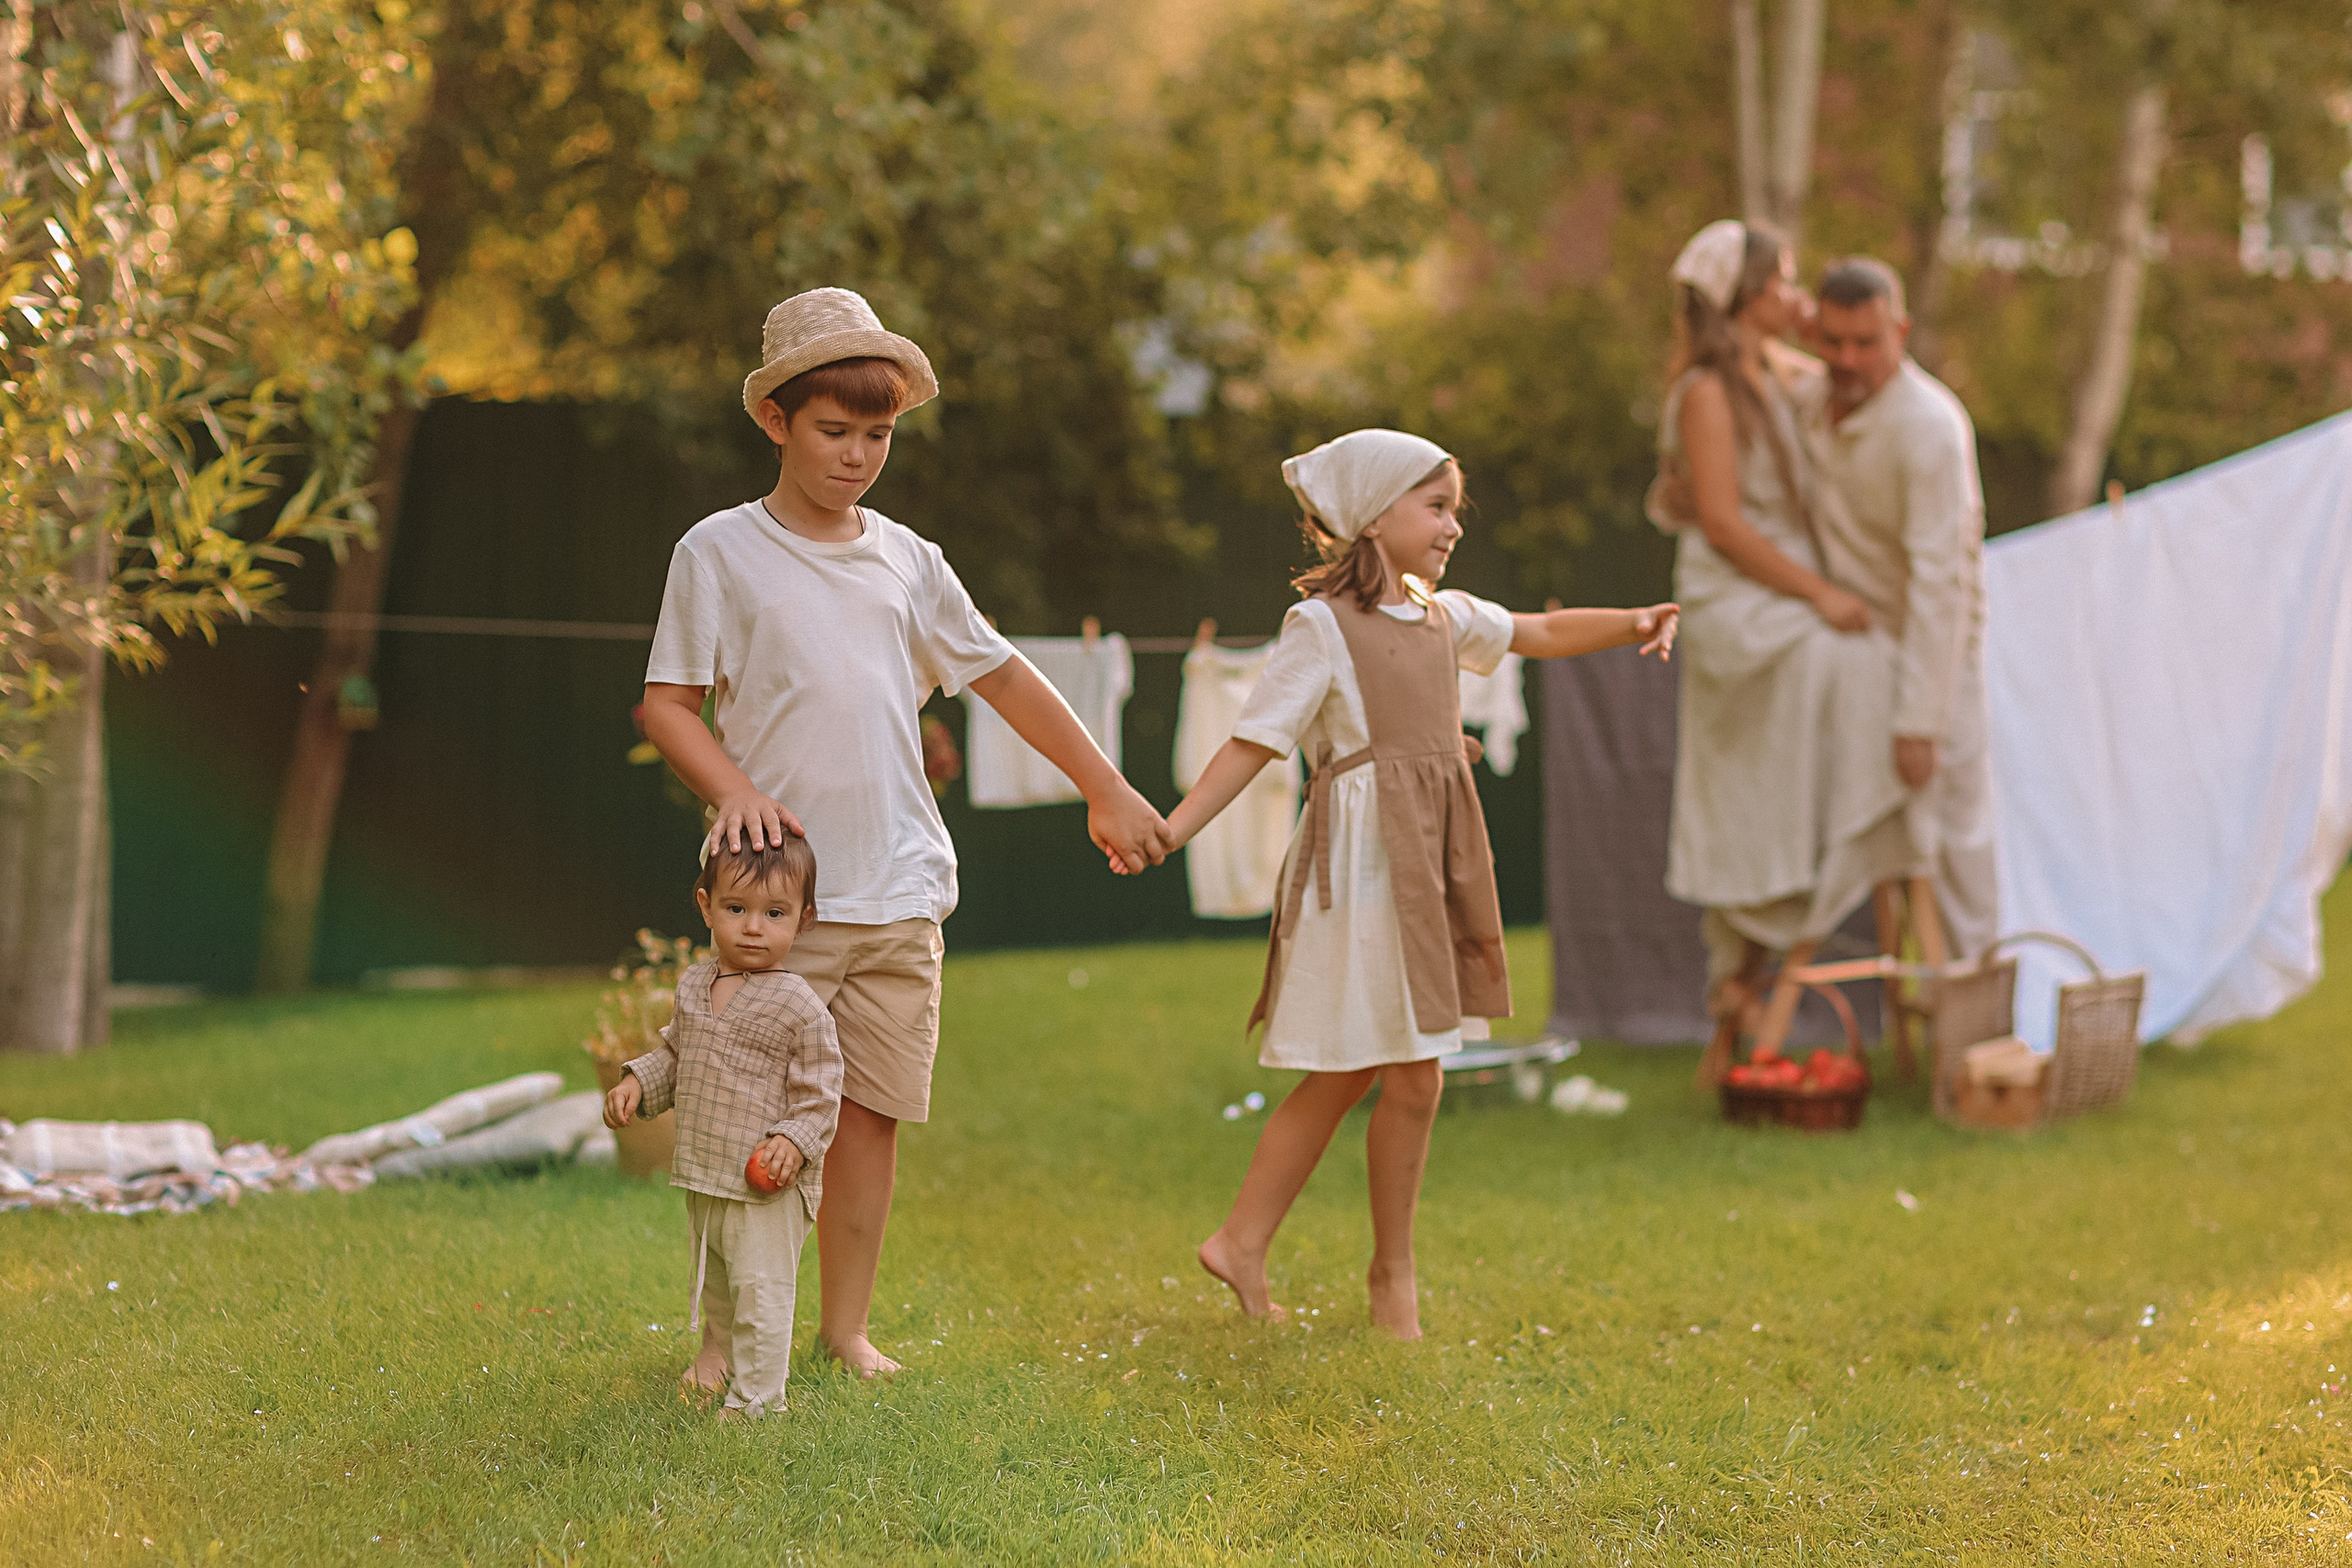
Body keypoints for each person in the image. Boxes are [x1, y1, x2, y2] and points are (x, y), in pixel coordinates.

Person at [639, 288, 1171, 1379]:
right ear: (777, 421)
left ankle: (843, 1332)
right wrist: (733, 790)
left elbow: (1005, 676)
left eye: (878, 435)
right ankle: (728, 1342)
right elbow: (665, 705)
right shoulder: (719, 552)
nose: (857, 456)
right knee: (750, 1118)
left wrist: (1103, 785)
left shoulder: (908, 559)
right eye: (835, 431)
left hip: (900, 891)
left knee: (867, 1121)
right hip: (784, 904)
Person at [1165, 429, 1678, 1339]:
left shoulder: (1445, 616)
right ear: (1373, 513)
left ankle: (1272, 1247)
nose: (1452, 528)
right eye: (1435, 507)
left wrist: (1635, 619)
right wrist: (1173, 827)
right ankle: (1363, 1271)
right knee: (1385, 1069)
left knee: (1392, 1072)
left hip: (1427, 869)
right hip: (1363, 870)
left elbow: (1544, 631)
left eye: (1454, 509)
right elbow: (1255, 740)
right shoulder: (1318, 627)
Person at [1647, 220, 1913, 1009]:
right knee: (1852, 661)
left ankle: (1834, 850)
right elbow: (1725, 526)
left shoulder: (1783, 373)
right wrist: (1821, 594)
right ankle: (1799, 875)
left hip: (1785, 577)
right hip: (1741, 592)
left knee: (1866, 665)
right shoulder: (1706, 393)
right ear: (1751, 297)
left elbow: (1858, 382)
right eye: (1787, 283)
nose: (1798, 297)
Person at [603, 836, 842, 1420]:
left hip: (766, 1182)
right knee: (721, 1292)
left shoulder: (799, 1006)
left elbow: (821, 1092)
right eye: (737, 909)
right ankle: (730, 1366)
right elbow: (675, 1055)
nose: (754, 927)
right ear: (706, 906)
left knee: (761, 1293)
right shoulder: (694, 987)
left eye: (775, 913)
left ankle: (758, 1403)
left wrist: (791, 1141)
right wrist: (638, 1082)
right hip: (707, 1171)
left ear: (803, 921)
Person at [1799, 256, 1996, 959]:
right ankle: (1931, 1047)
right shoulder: (1814, 396)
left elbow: (1943, 582)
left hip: (1935, 669)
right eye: (1833, 341)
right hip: (1859, 660)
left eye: (1866, 343)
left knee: (1957, 863)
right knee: (1880, 856)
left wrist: (1923, 720)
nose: (1847, 359)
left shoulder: (1930, 428)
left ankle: (1981, 1055)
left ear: (1902, 331)